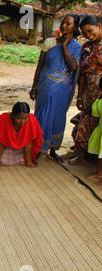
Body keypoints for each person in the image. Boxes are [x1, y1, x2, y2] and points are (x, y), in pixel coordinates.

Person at [30, 14, 82, 162]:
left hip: (62, 89)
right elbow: (40, 65)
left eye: (68, 23)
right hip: (45, 86)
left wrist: (65, 46)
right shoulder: (49, 42)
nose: (64, 26)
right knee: (41, 115)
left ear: (75, 27)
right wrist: (34, 86)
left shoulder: (77, 47)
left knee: (57, 117)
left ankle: (52, 150)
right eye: (63, 23)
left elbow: (73, 67)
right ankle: (37, 148)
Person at [70, 15, 102, 165]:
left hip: (100, 93)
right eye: (85, 34)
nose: (88, 35)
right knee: (85, 122)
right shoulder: (87, 47)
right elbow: (82, 73)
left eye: (90, 31)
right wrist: (80, 96)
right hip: (89, 92)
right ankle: (81, 156)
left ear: (99, 26)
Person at [0, 102, 43, 167]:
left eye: (25, 119)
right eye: (19, 118)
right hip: (6, 148)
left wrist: (30, 160)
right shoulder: (4, 118)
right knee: (1, 140)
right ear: (12, 116)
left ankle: (29, 162)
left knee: (28, 141)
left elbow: (34, 139)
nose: (22, 121)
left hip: (23, 151)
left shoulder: (31, 119)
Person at [87, 79, 102, 179]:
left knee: (101, 155)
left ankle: (99, 172)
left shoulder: (99, 102)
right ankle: (99, 173)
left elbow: (95, 116)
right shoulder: (99, 102)